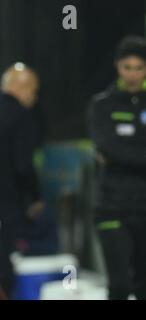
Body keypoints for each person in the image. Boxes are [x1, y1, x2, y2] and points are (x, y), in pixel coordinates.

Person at [87, 35, 146, 300]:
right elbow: (108, 147)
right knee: (120, 285)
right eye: (127, 67)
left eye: (139, 67)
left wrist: (122, 154)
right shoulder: (103, 105)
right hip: (112, 207)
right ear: (117, 67)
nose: (133, 74)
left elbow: (116, 153)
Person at [0, 63, 44, 298]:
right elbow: (23, 165)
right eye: (34, 90)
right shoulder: (23, 117)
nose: (34, 97)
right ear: (23, 88)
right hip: (6, 203)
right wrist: (35, 196)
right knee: (3, 267)